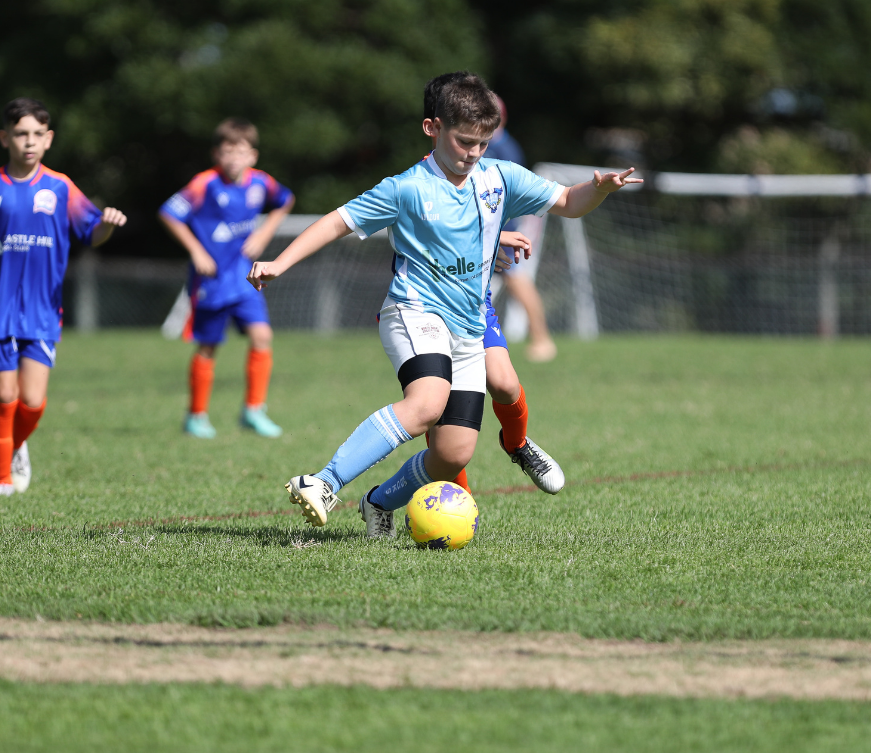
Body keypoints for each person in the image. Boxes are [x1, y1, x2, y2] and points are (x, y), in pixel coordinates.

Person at [247, 73, 640, 536]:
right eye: (464, 141)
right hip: (414, 312)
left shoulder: (500, 178)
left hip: (470, 325)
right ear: (432, 128)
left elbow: (569, 202)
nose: (473, 153)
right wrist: (281, 261)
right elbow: (336, 222)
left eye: (483, 143)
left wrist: (599, 189)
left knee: (453, 453)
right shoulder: (406, 188)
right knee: (427, 402)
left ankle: (378, 502)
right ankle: (322, 481)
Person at [0, 97, 127, 496]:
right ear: (5, 138)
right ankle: (2, 477)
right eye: (20, 134)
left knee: (34, 402)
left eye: (37, 134)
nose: (28, 142)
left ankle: (16, 445)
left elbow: (91, 233)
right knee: (5, 395)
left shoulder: (61, 187)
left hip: (42, 310)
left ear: (49, 139)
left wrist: (107, 225)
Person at [419, 75, 562, 497]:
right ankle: (456, 499)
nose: (474, 152)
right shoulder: (422, 177)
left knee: (503, 383)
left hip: (473, 295)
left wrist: (497, 235)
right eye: (467, 138)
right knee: (441, 411)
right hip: (426, 305)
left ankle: (517, 443)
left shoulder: (501, 157)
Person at [159, 118, 295, 439]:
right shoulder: (203, 183)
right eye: (227, 150)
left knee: (262, 336)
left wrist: (264, 232)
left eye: (241, 150)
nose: (234, 157)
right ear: (216, 154)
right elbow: (169, 213)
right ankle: (196, 416)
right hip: (211, 279)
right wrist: (196, 250)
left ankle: (253, 410)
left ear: (253, 156)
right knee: (208, 346)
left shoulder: (261, 183)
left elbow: (285, 200)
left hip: (243, 275)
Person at [485, 97, 558, 363]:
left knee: (517, 280)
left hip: (501, 228)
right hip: (492, 228)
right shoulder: (492, 146)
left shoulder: (504, 149)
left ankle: (542, 338)